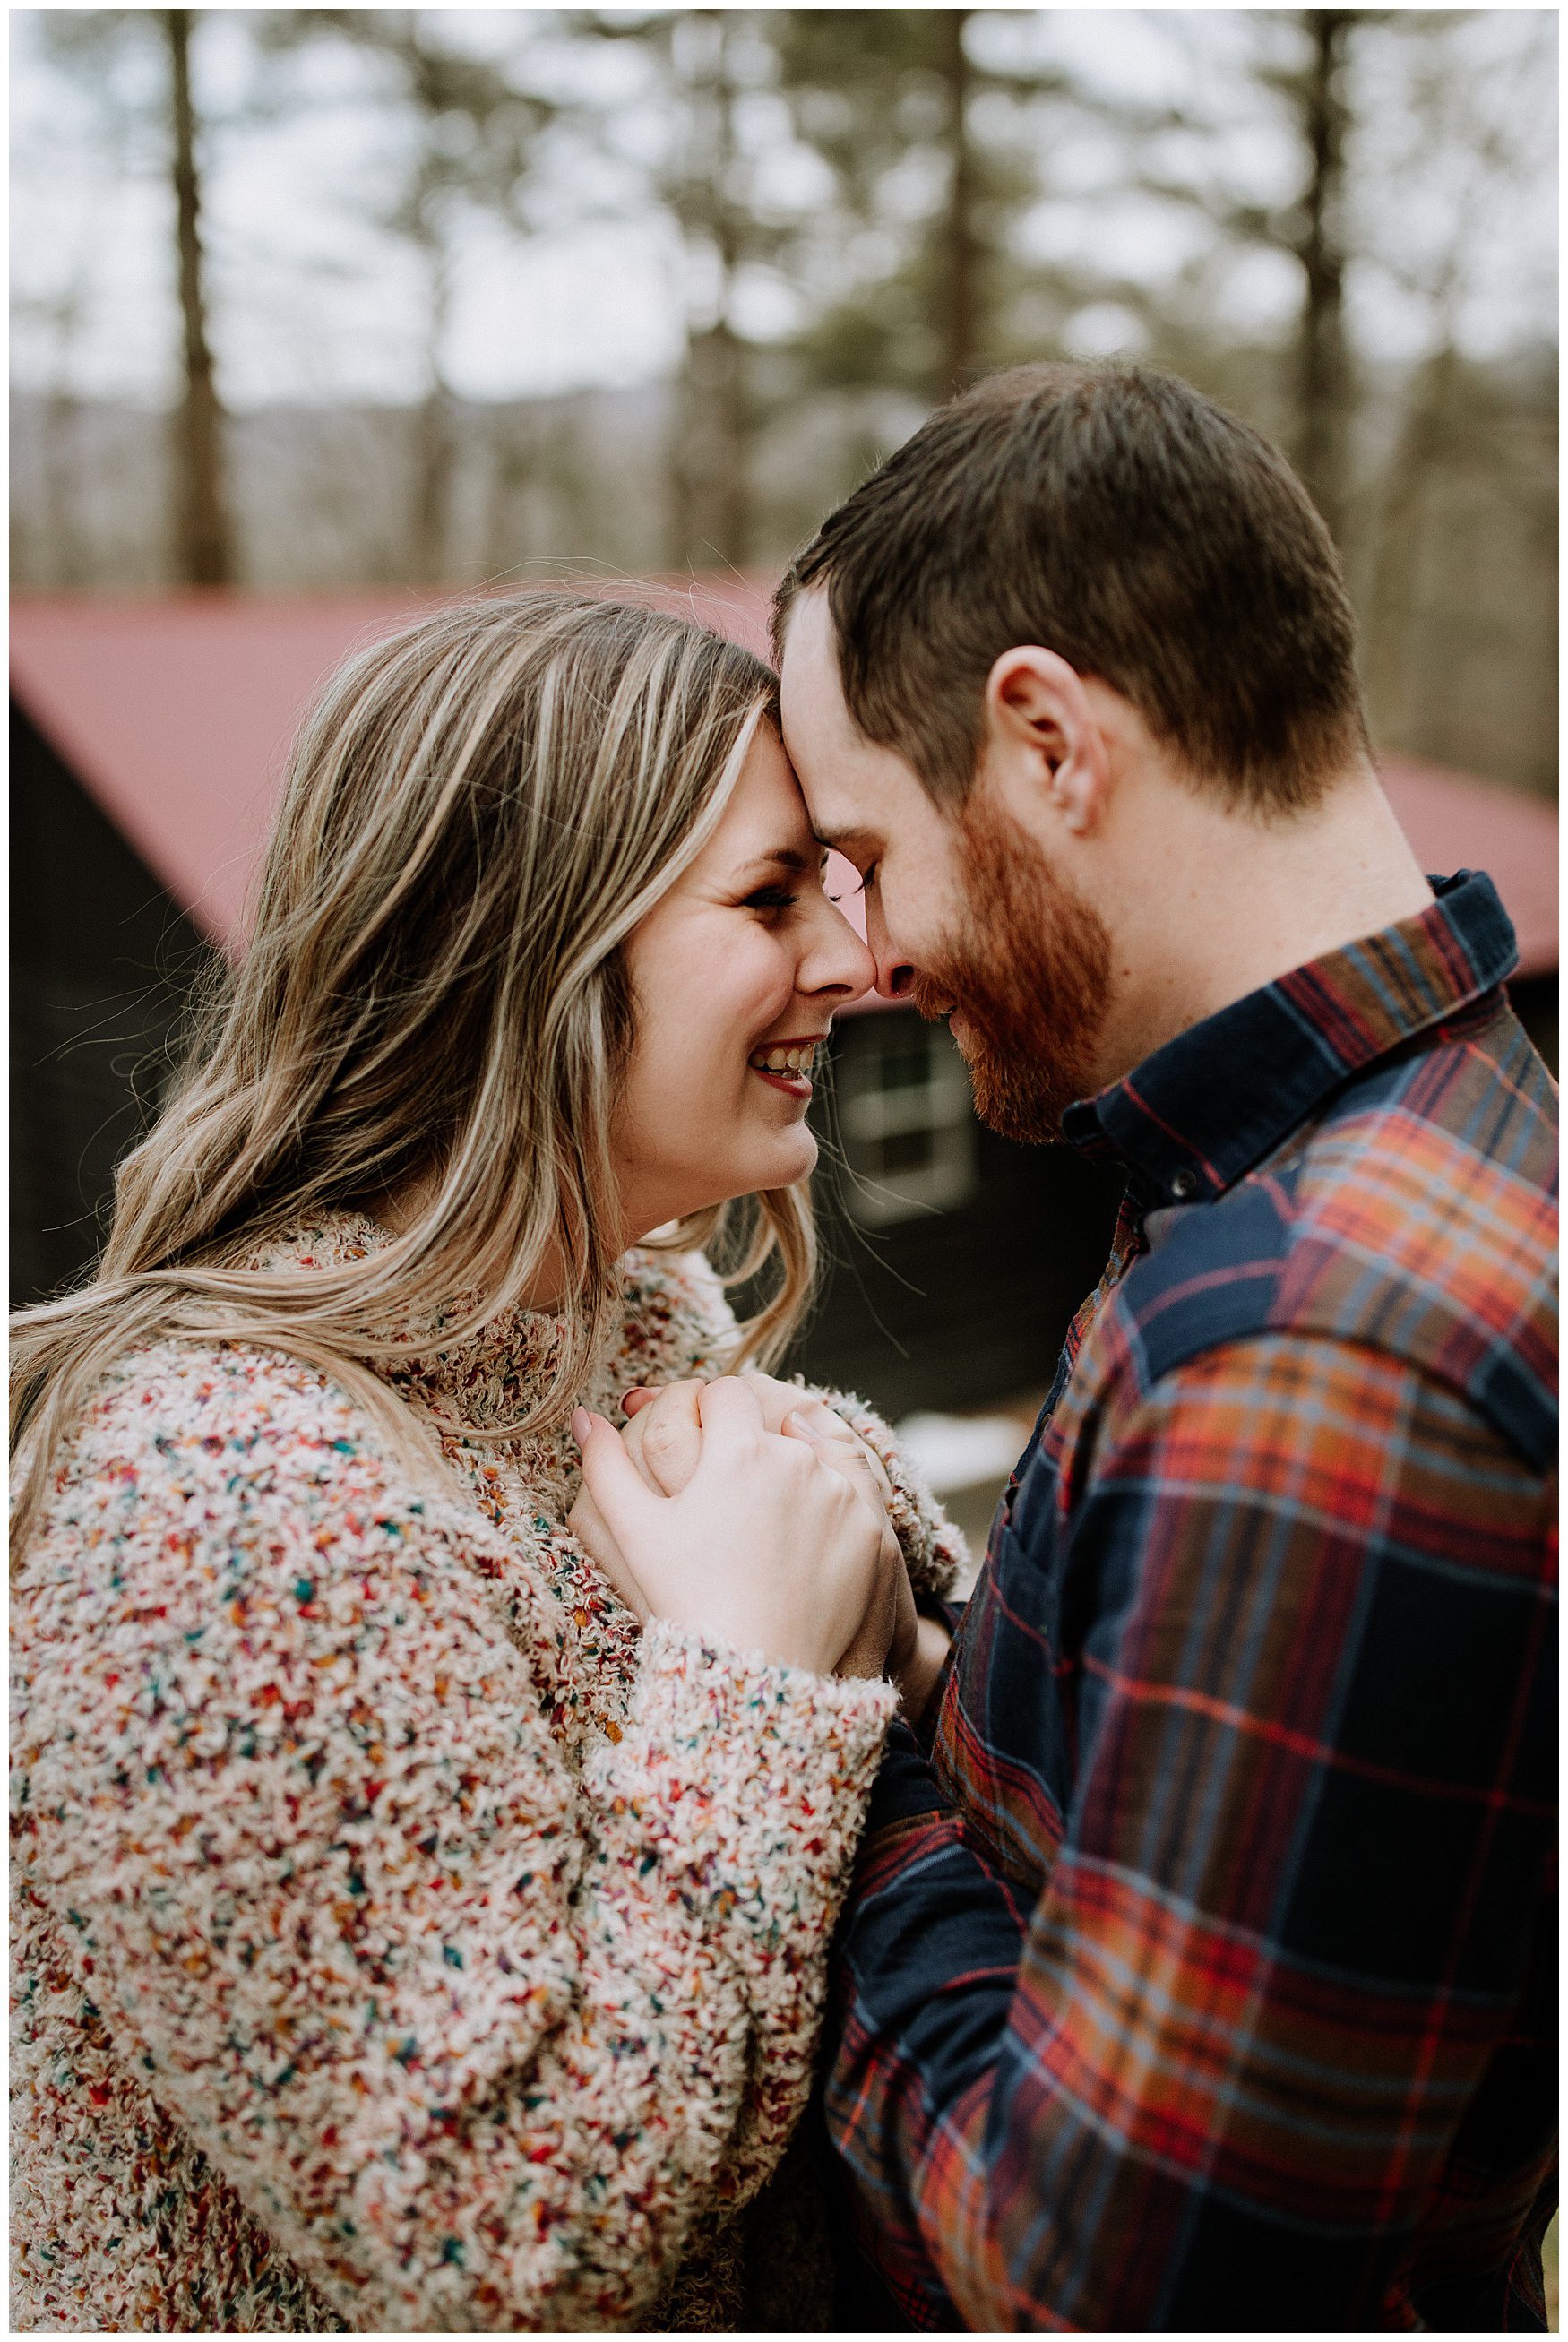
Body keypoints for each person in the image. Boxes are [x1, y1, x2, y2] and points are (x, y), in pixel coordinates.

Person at [581, 363, 1558, 2329]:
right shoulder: (1376, 1155)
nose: (865, 954)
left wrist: (792, 1703)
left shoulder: (1306, 1340)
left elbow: (1090, 2282)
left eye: (864, 844)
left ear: (1043, 740)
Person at [9, 590, 965, 2332]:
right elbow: (490, 2237)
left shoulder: (640, 1318)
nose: (847, 961)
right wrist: (751, 1680)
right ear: (523, 945)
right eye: (766, 897)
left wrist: (896, 1638)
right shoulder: (224, 1505)